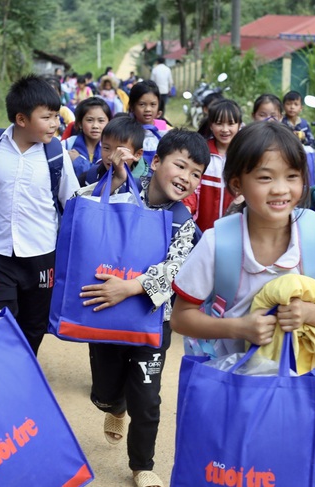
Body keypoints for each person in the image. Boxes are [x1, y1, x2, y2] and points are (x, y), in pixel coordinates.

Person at [76, 128, 209, 487]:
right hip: (106, 317)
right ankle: (114, 406)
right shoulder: (120, 190)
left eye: (196, 173)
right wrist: (113, 181)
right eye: (180, 166)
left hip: (152, 321)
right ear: (156, 162)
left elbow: (177, 267)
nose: (186, 178)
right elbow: (81, 207)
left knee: (148, 399)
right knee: (105, 390)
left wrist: (131, 287)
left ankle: (142, 465)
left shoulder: (183, 221)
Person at [170, 121, 315, 365]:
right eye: (265, 177)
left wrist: (309, 312)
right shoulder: (217, 242)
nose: (280, 189)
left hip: (293, 384)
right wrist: (238, 328)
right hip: (229, 381)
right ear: (237, 184)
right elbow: (181, 318)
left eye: (292, 176)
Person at [0, 74, 80, 355]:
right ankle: (4, 372)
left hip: (42, 255)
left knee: (35, 324)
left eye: (56, 117)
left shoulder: (55, 154)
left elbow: (72, 201)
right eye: (47, 117)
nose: (55, 124)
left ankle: (25, 368)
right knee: (0, 320)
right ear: (22, 119)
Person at [185, 99, 243, 232]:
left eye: (231, 124)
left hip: (234, 229)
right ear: (211, 125)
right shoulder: (201, 153)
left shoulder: (243, 155)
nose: (225, 129)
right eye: (219, 123)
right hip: (200, 229)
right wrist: (187, 207)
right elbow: (191, 187)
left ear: (239, 125)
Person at [78, 115, 145, 187]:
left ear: (137, 154)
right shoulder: (90, 177)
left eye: (120, 151)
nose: (111, 156)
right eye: (106, 148)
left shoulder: (145, 184)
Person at [63, 97, 111, 177]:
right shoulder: (67, 145)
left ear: (109, 123)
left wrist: (78, 161)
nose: (95, 126)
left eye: (101, 121)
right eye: (89, 120)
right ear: (79, 123)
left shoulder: (112, 148)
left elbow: (103, 176)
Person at [128, 81, 167, 174]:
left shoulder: (164, 129)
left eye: (153, 104)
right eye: (142, 104)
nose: (148, 109)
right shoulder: (126, 130)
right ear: (132, 107)